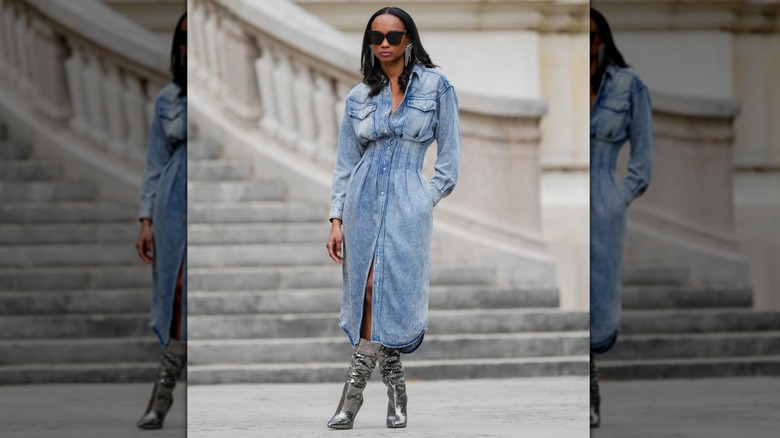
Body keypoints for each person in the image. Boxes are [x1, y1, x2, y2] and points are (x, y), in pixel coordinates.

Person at [325, 6, 461, 430]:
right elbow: (346, 163)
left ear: (409, 39)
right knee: (366, 288)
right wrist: (335, 218)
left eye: (394, 36)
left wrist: (425, 197)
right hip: (361, 201)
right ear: (369, 42)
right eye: (377, 36)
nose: (385, 44)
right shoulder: (358, 96)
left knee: (389, 291)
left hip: (407, 202)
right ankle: (368, 395)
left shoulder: (437, 87)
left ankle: (375, 393)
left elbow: (450, 161)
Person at [589, 7, 654, 429]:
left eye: (591, 36)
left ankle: (590, 371)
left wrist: (617, 197)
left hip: (603, 200)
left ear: (603, 39)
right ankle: (587, 381)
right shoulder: (565, 85)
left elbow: (642, 161)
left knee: (599, 296)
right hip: (567, 200)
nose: (585, 44)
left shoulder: (628, 86)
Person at [134, 12, 187, 430]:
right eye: (184, 40)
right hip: (173, 200)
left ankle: (168, 397)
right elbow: (155, 162)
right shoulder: (169, 98)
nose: (191, 48)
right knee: (176, 292)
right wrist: (146, 217)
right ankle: (161, 398)